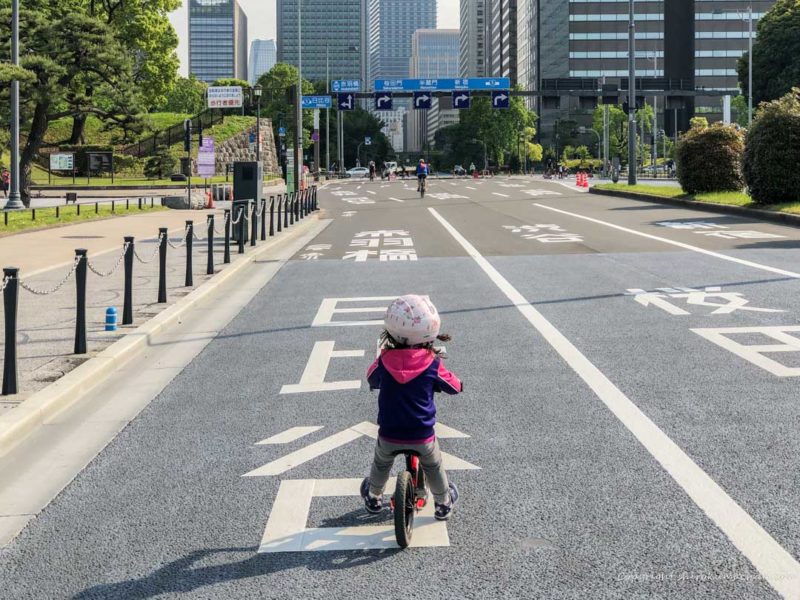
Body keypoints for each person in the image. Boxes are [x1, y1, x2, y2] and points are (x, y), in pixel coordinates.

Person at [361, 295, 463, 521]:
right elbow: (453, 386)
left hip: (389, 432)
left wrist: (378, 383)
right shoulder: (432, 363)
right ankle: (443, 503)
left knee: (382, 461)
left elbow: (371, 378)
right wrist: (458, 385)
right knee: (433, 464)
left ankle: (374, 496)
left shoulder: (384, 360)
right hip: (421, 434)